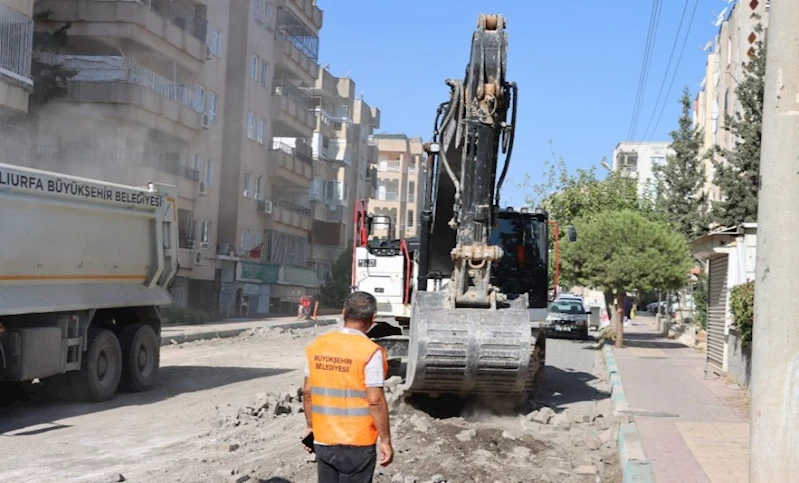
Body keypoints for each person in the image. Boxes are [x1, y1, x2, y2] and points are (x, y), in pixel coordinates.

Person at [301, 291, 393, 482]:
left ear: (343, 313)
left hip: (324, 439)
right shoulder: (370, 351)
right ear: (373, 318)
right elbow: (375, 401)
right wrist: (385, 440)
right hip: (358, 443)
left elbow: (307, 391)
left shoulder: (317, 345)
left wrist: (310, 426)